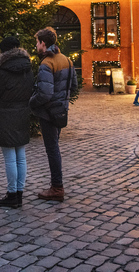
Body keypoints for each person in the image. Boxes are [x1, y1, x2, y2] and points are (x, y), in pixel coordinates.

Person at [29, 27, 77, 202]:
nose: (36, 45)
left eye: (37, 42)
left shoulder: (46, 64)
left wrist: (31, 103)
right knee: (54, 147)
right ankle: (56, 185)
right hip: (61, 110)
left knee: (52, 149)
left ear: (43, 43)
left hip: (49, 112)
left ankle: (57, 187)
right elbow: (74, 86)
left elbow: (45, 93)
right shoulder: (67, 60)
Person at [0, 36, 33, 209]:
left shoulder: (2, 70)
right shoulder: (28, 67)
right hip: (22, 112)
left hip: (5, 114)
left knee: (9, 158)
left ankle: (12, 194)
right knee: (20, 155)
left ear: (4, 51)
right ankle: (19, 193)